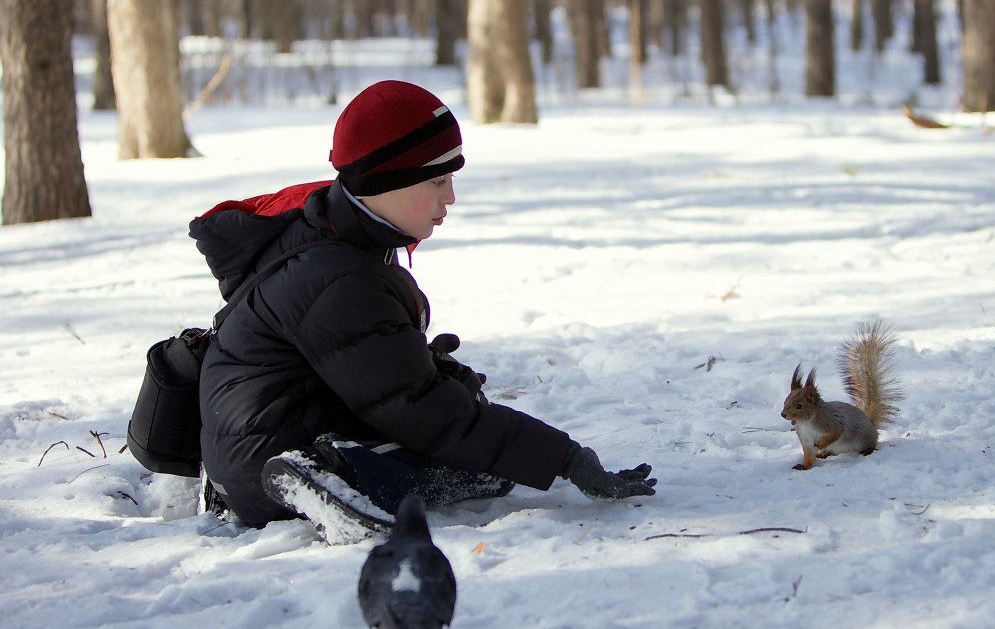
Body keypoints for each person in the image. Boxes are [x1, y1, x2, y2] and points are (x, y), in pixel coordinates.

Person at [189, 80, 655, 536]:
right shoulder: (342, 276)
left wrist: (430, 367)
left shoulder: (332, 228)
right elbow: (419, 410)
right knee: (479, 468)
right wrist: (564, 458)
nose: (449, 197)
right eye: (437, 180)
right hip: (265, 466)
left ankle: (320, 467)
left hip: (246, 447)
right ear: (385, 180)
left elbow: (374, 371)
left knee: (472, 440)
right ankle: (331, 474)